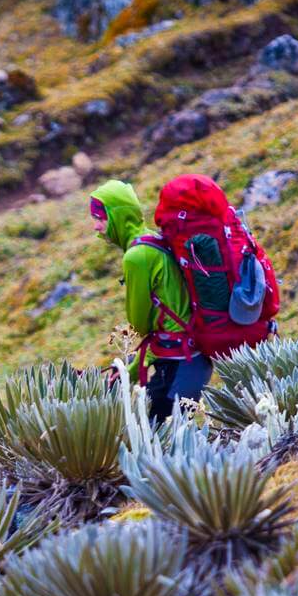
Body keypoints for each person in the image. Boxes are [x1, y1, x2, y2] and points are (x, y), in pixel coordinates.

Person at [89, 179, 213, 423]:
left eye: (100, 218)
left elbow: (140, 324)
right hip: (190, 359)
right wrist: (130, 370)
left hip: (180, 361)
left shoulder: (136, 257)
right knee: (164, 430)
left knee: (161, 434)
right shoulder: (151, 239)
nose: (96, 226)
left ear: (118, 216)